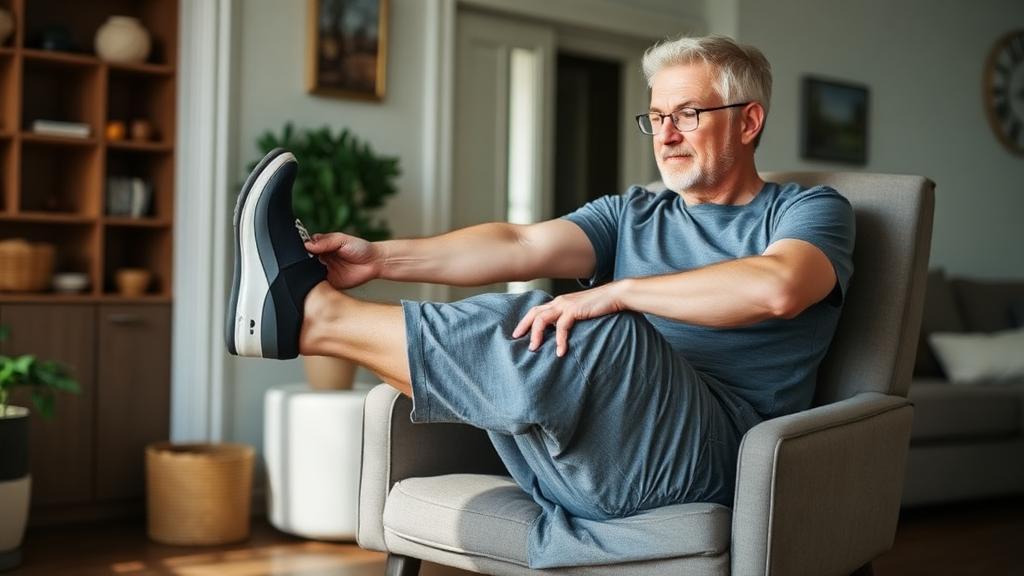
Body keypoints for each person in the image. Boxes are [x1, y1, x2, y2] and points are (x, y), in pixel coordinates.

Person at [226, 35, 854, 568]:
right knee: (537, 310)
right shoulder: (633, 213)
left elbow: (778, 287)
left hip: (710, 458)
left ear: (748, 121)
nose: (665, 134)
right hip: (575, 459)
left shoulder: (805, 211)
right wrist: (381, 257)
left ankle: (309, 316)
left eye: (688, 114)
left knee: (604, 328)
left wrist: (615, 294)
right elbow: (519, 242)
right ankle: (310, 318)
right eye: (656, 117)